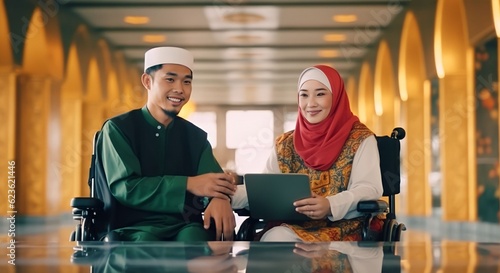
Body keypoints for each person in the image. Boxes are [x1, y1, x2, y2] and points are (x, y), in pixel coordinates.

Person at [98, 46, 236, 241]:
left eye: (186, 81)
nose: (179, 89)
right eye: (170, 79)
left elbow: (215, 180)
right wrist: (189, 183)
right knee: (146, 246)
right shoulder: (118, 129)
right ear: (147, 81)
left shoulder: (195, 137)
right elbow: (126, 187)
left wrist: (219, 198)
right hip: (132, 227)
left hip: (185, 225)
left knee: (195, 243)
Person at [232, 64, 383, 241]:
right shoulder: (285, 144)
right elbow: (266, 191)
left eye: (320, 94)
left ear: (336, 97)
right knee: (277, 236)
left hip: (345, 228)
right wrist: (226, 196)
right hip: (294, 228)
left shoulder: (361, 139)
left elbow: (369, 188)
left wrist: (330, 205)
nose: (310, 103)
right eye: (304, 95)